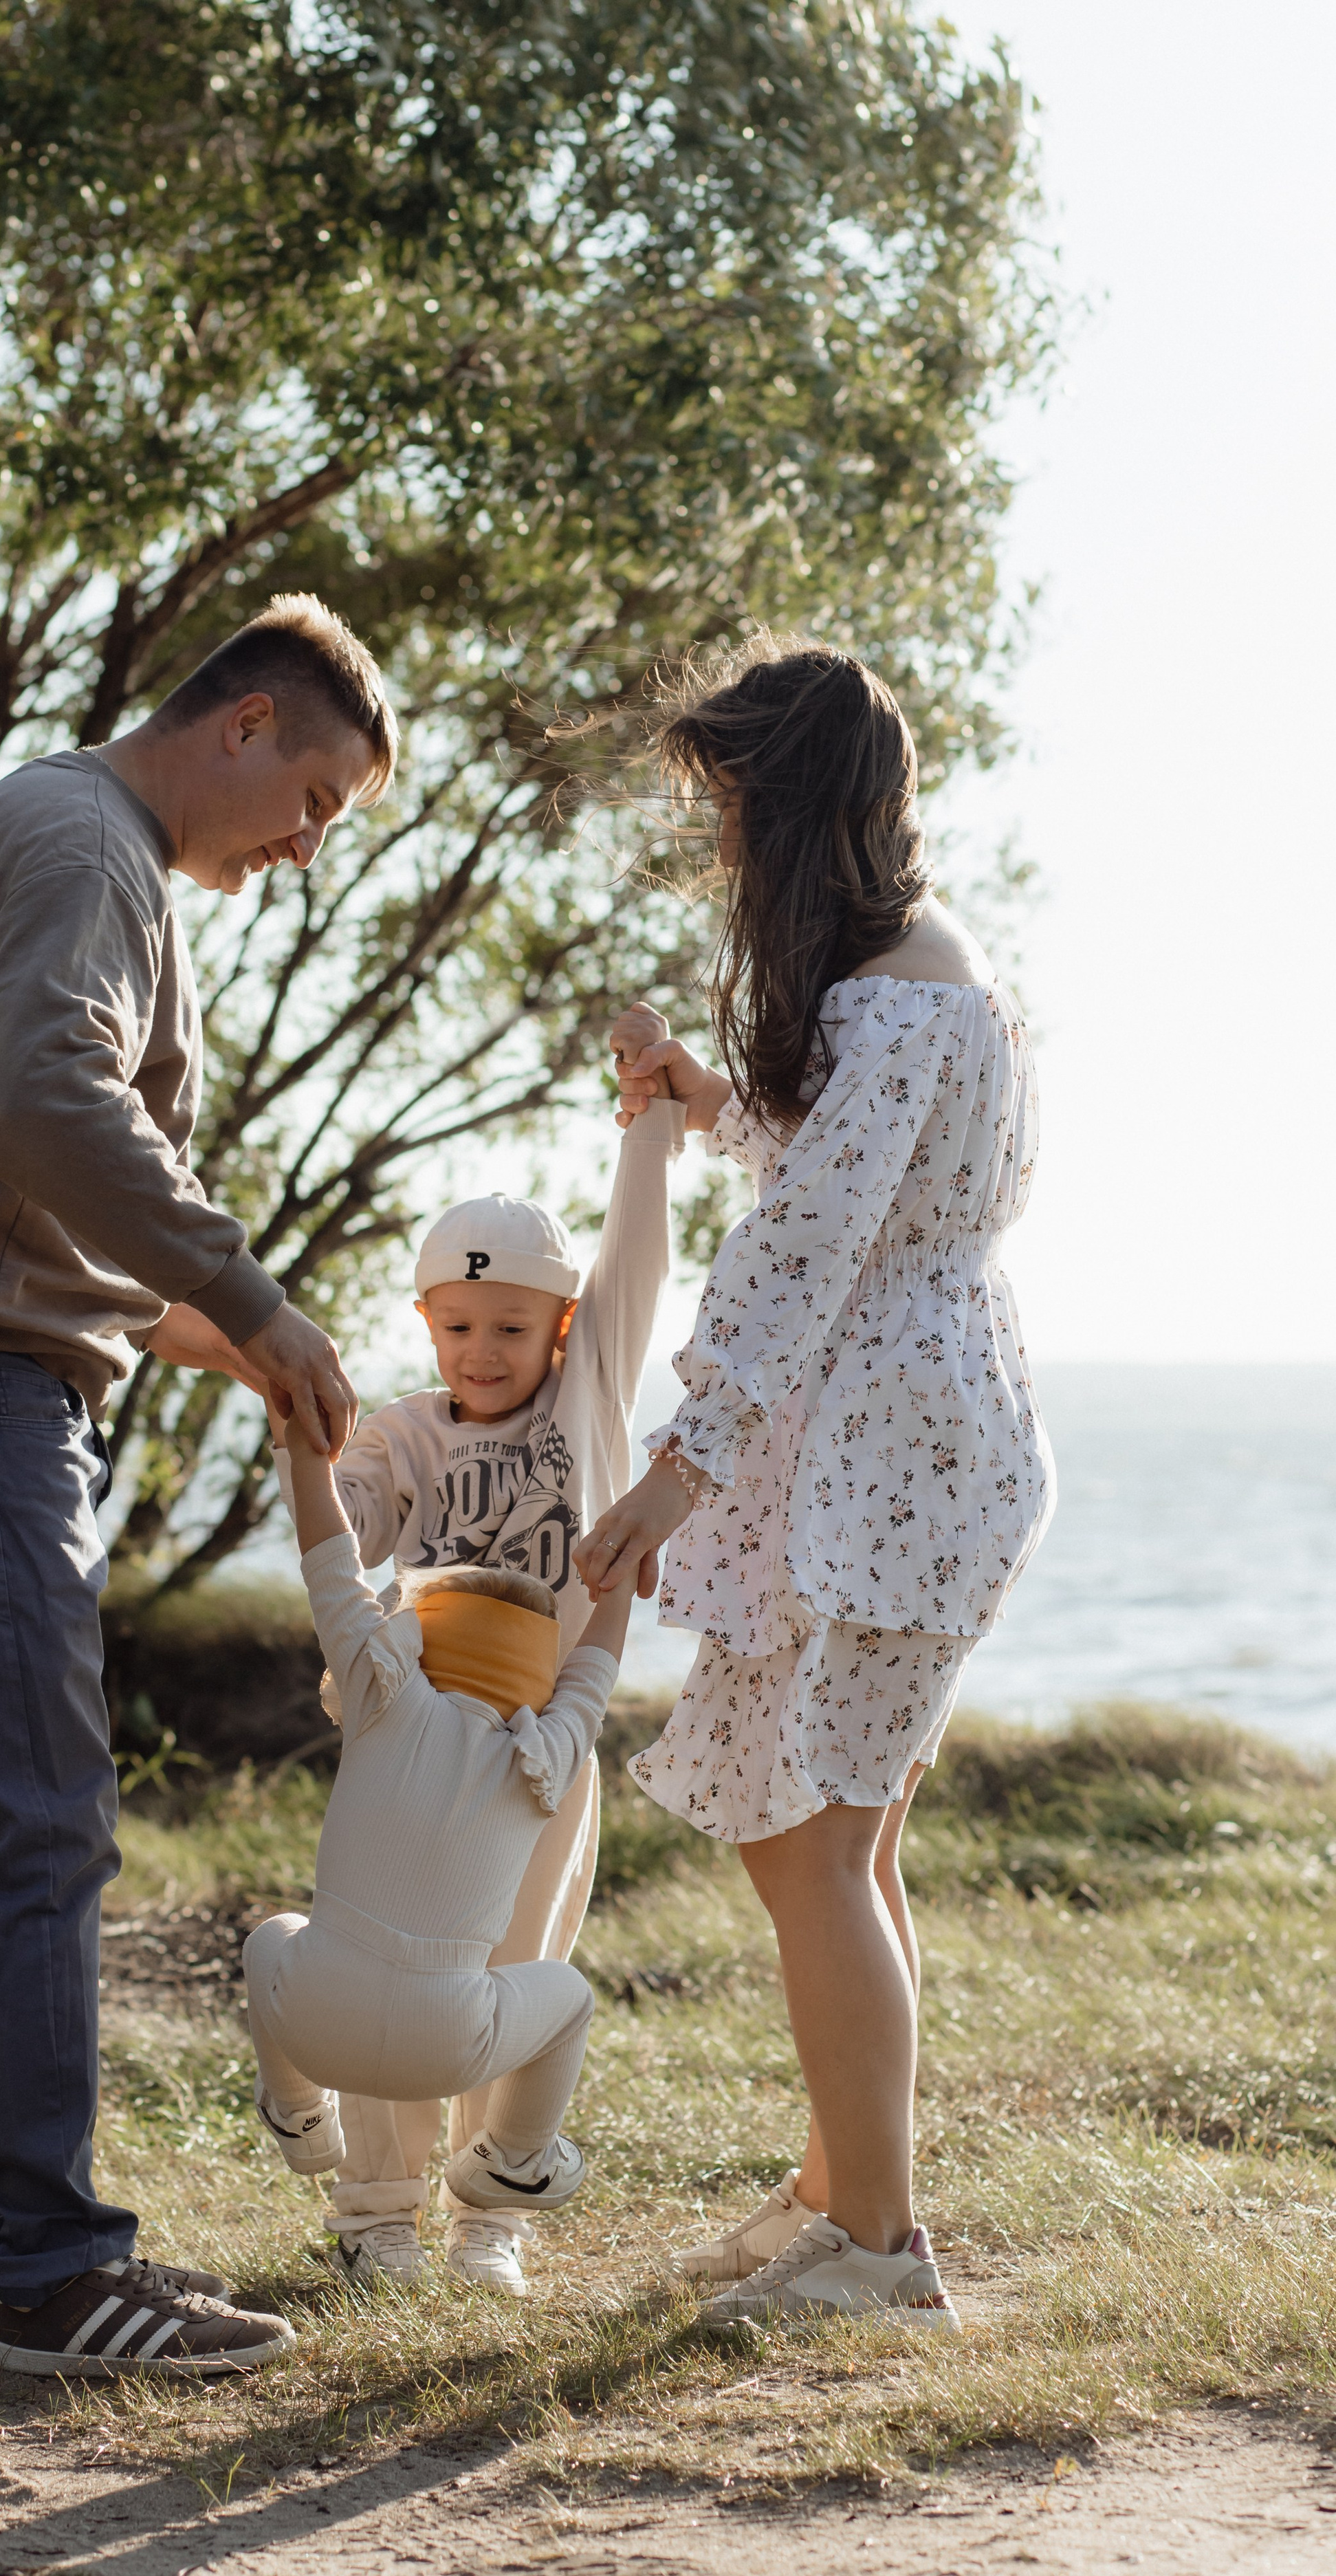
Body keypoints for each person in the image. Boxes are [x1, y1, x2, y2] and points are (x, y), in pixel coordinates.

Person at [0, 594, 393, 2381]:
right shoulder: (85, 843)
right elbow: (55, 1111)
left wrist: (209, 1334)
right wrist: (250, 1292)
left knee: (18, 1822)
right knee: (46, 1822)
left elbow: (24, 1179)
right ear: (244, 726)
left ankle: (0, 2248)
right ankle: (57, 2273)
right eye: (315, 804)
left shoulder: (78, 842)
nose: (302, 852)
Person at [577, 634, 1053, 2336]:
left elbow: (807, 1244)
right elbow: (838, 1169)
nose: (716, 847)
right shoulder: (916, 978)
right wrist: (708, 1103)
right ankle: (833, 2190)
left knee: (826, 1840)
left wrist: (673, 1469)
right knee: (814, 1840)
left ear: (788, 811)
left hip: (886, 1454)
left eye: (724, 810)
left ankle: (876, 2248)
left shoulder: (897, 988)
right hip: (887, 1441)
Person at [181, 1070, 685, 2294]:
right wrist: (319, 1460)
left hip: (541, 1745)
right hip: (414, 1741)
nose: (485, 1349)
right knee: (384, 1941)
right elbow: (343, 1535)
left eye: (512, 1327)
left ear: (560, 1327)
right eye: (460, 1326)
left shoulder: (592, 1389)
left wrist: (655, 1122)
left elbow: (638, 1260)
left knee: (518, 1954)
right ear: (426, 1323)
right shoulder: (401, 1430)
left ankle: (490, 2225)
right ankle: (377, 2215)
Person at [242, 1404, 634, 2234]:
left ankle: (300, 2115)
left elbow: (330, 1563)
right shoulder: (546, 1754)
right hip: (450, 2044)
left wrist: (305, 1454)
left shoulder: (383, 1700)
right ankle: (513, 2159)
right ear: (536, 1678)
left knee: (270, 1935)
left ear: (423, 1639)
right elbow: (593, 1671)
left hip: (316, 2022)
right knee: (564, 1995)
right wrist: (620, 1582)